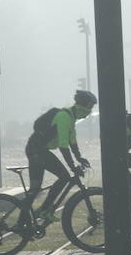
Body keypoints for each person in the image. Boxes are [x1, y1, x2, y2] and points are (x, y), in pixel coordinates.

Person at [24, 90, 96, 222]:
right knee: (64, 177)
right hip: (37, 151)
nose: (90, 111)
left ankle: (21, 222)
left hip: (38, 150)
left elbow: (72, 141)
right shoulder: (64, 117)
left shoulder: (71, 117)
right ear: (82, 105)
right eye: (90, 107)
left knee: (35, 189)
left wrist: (79, 158)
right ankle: (44, 210)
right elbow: (63, 145)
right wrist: (72, 166)